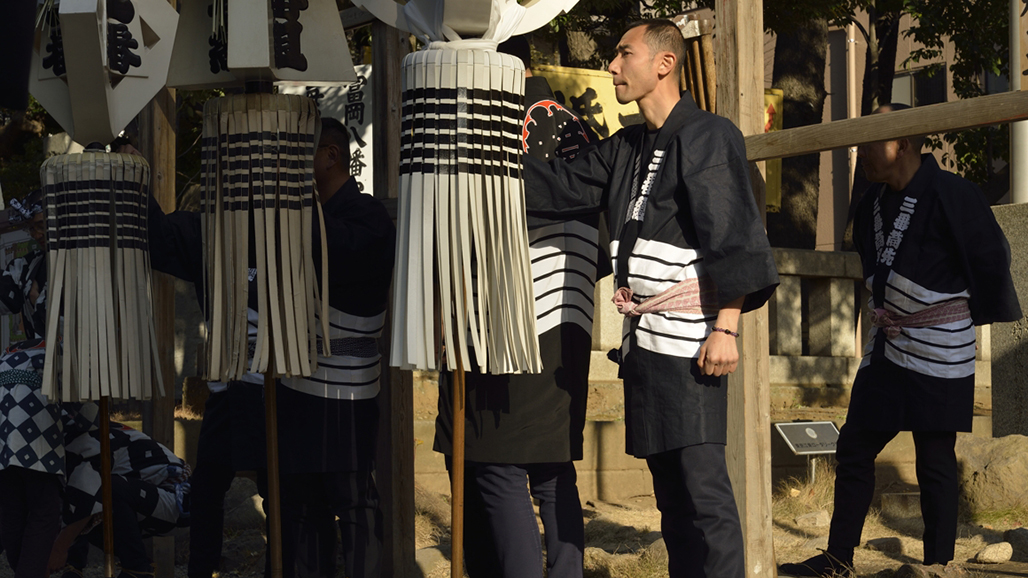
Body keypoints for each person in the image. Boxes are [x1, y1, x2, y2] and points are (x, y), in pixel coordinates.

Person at [521, 19, 779, 578]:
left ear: (664, 63)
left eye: (623, 54)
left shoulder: (709, 134)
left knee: (703, 489)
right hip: (645, 342)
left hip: (692, 341)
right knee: (670, 495)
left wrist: (727, 328)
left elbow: (732, 234)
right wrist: (485, 167)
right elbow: (560, 185)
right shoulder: (628, 145)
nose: (612, 66)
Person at [779, 104, 1022, 577]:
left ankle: (937, 564)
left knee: (934, 456)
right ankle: (838, 558)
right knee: (854, 445)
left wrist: (970, 313)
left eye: (870, 142)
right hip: (888, 342)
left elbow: (991, 257)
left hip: (940, 342)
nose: (861, 152)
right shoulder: (870, 201)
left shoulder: (955, 193)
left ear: (903, 142)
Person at [147, 117, 395, 578]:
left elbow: (327, 250)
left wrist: (281, 215)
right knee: (298, 508)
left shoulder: (366, 217)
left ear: (329, 155)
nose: (286, 169)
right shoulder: (280, 220)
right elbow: (175, 239)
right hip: (290, 394)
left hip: (345, 397)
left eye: (297, 156)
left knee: (354, 504)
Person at [433, 36, 605, 578]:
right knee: (554, 469)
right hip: (572, 316)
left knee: (497, 463)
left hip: (511, 313)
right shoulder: (576, 123)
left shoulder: (497, 122)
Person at [0, 190, 66, 578]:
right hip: (32, 380)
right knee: (27, 490)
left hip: (48, 378)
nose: (39, 233)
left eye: (43, 225)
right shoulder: (27, 265)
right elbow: (7, 297)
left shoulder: (80, 264)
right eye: (34, 227)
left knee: (27, 490)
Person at [49, 402, 191, 578]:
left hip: (176, 501)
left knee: (103, 490)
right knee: (78, 497)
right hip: (138, 497)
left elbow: (86, 499)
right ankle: (78, 567)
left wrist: (59, 550)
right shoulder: (70, 439)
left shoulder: (83, 439)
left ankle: (137, 569)